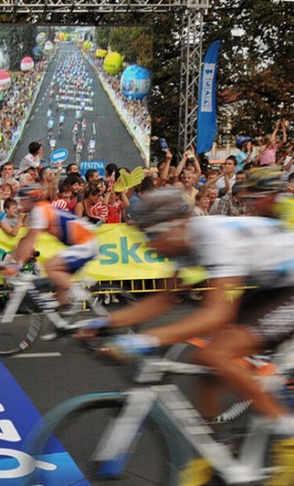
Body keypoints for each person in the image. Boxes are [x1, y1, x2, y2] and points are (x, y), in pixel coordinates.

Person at [82, 187, 294, 485]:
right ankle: (218, 456)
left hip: (287, 289)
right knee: (207, 367)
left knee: (215, 353)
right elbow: (163, 301)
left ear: (171, 228)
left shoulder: (213, 238)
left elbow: (216, 314)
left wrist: (146, 340)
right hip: (272, 286)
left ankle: (289, 438)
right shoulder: (184, 245)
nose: (149, 248)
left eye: (150, 237)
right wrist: (103, 323)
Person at [10, 185, 97, 317]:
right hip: (81, 242)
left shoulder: (40, 210)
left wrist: (16, 265)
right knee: (59, 286)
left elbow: (31, 241)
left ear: (31, 199)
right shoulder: (39, 210)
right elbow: (26, 240)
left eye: (22, 199)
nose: (20, 203)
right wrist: (11, 260)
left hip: (86, 243)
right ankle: (63, 326)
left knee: (50, 267)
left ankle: (78, 292)